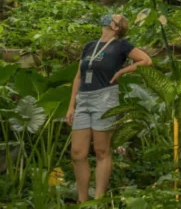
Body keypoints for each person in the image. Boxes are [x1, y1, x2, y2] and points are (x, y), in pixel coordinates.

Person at [65, 13, 152, 203]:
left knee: (101, 150)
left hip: (104, 97)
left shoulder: (121, 45)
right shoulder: (89, 46)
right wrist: (71, 105)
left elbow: (146, 60)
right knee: (78, 153)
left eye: (113, 16)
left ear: (116, 27)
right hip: (83, 99)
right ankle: (82, 201)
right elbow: (78, 76)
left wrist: (122, 71)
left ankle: (98, 200)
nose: (108, 16)